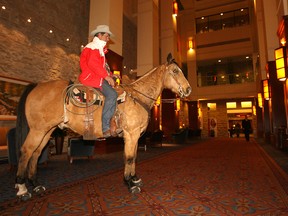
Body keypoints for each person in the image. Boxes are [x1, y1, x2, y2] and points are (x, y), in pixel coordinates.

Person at [78, 25, 118, 138]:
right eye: (107, 35)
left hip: (97, 77)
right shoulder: (93, 46)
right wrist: (107, 77)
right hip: (92, 78)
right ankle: (104, 127)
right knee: (112, 94)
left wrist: (110, 75)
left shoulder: (98, 48)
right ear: (99, 35)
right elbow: (93, 64)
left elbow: (100, 66)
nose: (108, 38)